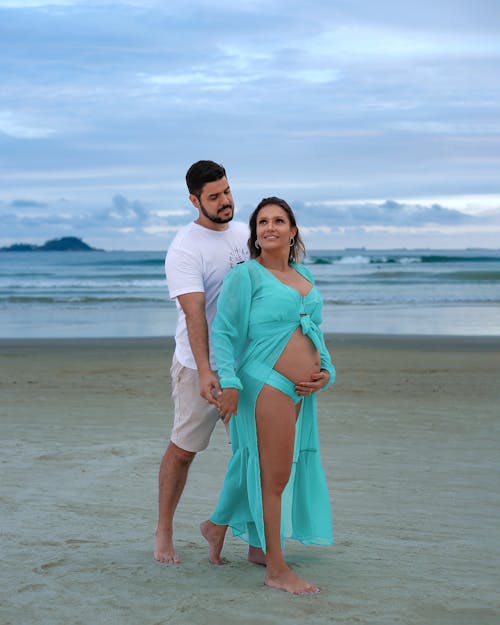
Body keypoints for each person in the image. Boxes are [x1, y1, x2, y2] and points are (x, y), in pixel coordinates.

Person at [200, 197, 335, 595]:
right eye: (262, 222)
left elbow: (316, 330)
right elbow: (223, 333)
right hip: (264, 382)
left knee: (263, 465)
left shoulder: (303, 274)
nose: (270, 228)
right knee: (274, 477)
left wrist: (326, 369)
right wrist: (231, 384)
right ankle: (276, 569)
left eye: (279, 220)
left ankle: (240, 538)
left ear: (293, 230)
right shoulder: (247, 276)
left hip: (300, 391)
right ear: (254, 233)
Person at [154, 160, 250, 564]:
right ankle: (163, 532)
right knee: (184, 450)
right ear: (194, 200)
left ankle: (236, 532)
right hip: (200, 365)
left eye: (227, 191)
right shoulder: (185, 248)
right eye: (214, 197)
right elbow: (195, 315)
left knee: (252, 452)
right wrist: (208, 372)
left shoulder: (247, 233)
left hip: (246, 363)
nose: (225, 201)